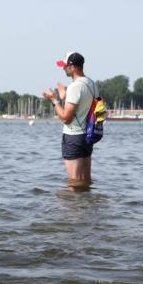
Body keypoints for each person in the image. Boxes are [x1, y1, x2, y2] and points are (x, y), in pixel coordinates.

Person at [43, 51, 98, 186]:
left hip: (74, 136)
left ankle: (73, 207)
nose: (63, 68)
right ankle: (87, 206)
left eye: (65, 66)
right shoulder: (92, 84)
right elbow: (83, 105)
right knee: (85, 180)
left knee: (75, 182)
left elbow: (66, 118)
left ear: (72, 67)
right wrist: (64, 95)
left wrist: (54, 100)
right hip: (88, 136)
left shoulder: (75, 87)